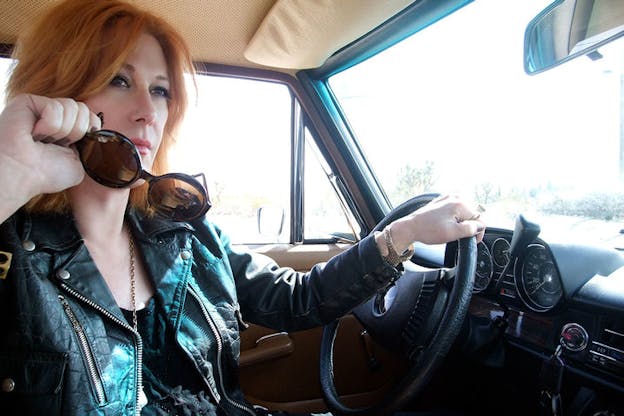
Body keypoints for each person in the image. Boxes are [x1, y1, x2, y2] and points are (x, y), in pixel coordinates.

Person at [0, 0, 485, 415]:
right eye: (119, 81)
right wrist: (12, 174)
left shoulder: (186, 231)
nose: (149, 110)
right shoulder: (11, 249)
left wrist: (402, 235)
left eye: (161, 89)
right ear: (62, 89)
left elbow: (294, 299)